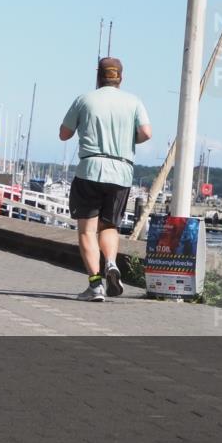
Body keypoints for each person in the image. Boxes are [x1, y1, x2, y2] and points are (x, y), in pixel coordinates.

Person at [60, 57, 151, 301]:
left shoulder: (84, 99)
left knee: (87, 231)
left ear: (98, 76)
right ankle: (110, 262)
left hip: (90, 168)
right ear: (121, 77)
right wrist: (128, 139)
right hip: (121, 171)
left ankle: (95, 285)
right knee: (109, 226)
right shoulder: (134, 101)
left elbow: (64, 134)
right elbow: (146, 133)